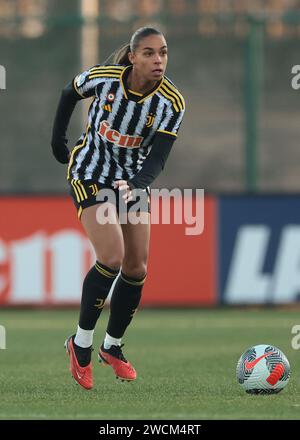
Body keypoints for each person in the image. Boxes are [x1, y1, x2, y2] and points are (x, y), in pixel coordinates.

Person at [51, 26, 185, 390]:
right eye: (149, 53)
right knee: (111, 256)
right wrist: (58, 141)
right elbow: (68, 93)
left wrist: (137, 185)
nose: (158, 60)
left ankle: (112, 346)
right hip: (90, 171)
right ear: (132, 56)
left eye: (163, 53)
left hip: (132, 181)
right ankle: (80, 345)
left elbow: (158, 157)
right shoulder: (105, 78)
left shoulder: (171, 103)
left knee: (137, 265)